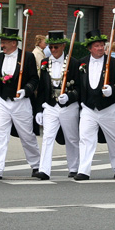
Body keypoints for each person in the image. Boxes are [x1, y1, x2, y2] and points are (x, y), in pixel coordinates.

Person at [0, 27, 40, 180]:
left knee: (27, 136)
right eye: (2, 42)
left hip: (21, 103)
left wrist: (26, 90)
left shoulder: (27, 57)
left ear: (14, 43)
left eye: (5, 42)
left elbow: (34, 79)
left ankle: (36, 165)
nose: (2, 45)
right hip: (2, 102)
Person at [72, 29, 115, 181]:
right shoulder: (81, 63)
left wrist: (113, 89)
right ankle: (83, 170)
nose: (100, 48)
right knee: (85, 138)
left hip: (109, 107)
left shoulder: (114, 63)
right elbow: (78, 85)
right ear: (89, 48)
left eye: (102, 45)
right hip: (89, 108)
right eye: (96, 46)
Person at [34, 31, 81, 180]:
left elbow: (80, 88)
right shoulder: (44, 63)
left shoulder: (73, 63)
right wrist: (39, 110)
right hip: (50, 105)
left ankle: (74, 167)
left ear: (63, 46)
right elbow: (42, 87)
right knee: (47, 137)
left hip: (68, 106)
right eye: (51, 47)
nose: (53, 50)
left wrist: (69, 96)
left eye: (56, 47)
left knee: (72, 137)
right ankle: (44, 169)